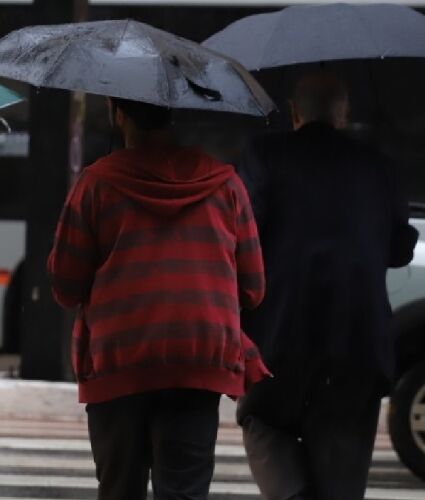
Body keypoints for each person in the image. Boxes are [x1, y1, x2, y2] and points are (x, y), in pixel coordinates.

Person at [47, 97, 269, 500]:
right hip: (197, 363)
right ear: (171, 114)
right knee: (184, 491)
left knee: (120, 490)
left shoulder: (96, 185)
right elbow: (253, 288)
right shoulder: (226, 185)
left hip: (118, 364)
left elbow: (65, 286)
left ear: (119, 114)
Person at [236, 72, 419, 500]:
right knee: (343, 456)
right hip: (356, 342)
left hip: (279, 336)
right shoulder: (379, 167)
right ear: (344, 115)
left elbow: (243, 233)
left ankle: (290, 493)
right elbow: (400, 250)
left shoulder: (265, 156)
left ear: (294, 112)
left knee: (262, 419)